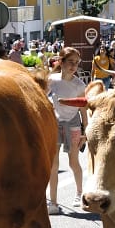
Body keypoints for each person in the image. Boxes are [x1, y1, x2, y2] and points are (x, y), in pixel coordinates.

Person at [46, 47, 87, 214]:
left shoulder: (79, 85)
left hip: (73, 124)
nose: (73, 66)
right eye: (70, 62)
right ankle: (53, 202)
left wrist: (85, 132)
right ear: (61, 62)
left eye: (76, 63)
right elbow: (42, 98)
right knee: (53, 164)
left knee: (73, 162)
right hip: (54, 124)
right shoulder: (51, 80)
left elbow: (83, 109)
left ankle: (79, 193)